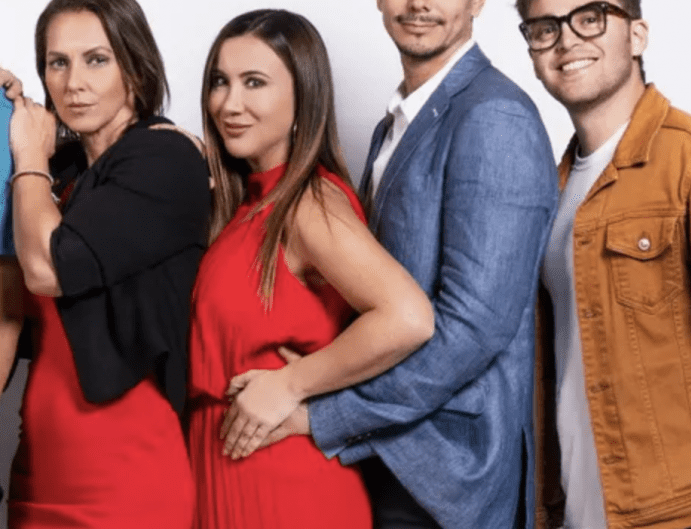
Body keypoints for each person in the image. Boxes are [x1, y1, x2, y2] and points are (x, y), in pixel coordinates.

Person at [238, 1, 558, 527]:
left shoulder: (494, 116)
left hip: (448, 476)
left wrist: (320, 409)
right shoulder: (393, 126)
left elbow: (474, 327)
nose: (419, 4)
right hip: (385, 453)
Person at [515, 0, 691, 528]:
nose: (567, 39)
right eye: (545, 28)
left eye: (590, 17)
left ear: (637, 35)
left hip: (686, 516)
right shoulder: (551, 191)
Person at [186, 9, 435, 529]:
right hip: (227, 474)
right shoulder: (246, 208)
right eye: (220, 82)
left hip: (284, 487)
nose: (229, 103)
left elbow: (408, 316)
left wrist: (290, 384)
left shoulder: (308, 202)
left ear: (305, 98)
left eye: (254, 82)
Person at [0, 0, 211, 526]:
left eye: (96, 59)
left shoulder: (166, 158)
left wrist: (28, 156)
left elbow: (48, 269)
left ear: (135, 66)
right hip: (38, 471)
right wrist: (10, 104)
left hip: (125, 477)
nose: (74, 83)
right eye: (57, 63)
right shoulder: (66, 173)